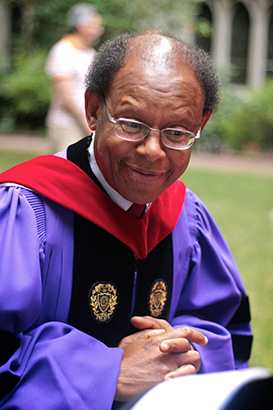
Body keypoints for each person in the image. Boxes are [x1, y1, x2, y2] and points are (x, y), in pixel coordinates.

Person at [0, 31, 252, 409]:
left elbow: (225, 325)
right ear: (93, 110)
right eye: (131, 123)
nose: (153, 152)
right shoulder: (24, 210)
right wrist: (106, 373)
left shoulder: (187, 218)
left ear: (202, 124)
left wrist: (182, 350)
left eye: (177, 133)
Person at [45, 3, 104, 152]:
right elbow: (65, 98)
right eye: (96, 26)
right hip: (67, 126)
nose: (100, 31)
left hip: (86, 125)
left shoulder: (91, 53)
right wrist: (87, 124)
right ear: (82, 26)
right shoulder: (63, 50)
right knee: (65, 173)